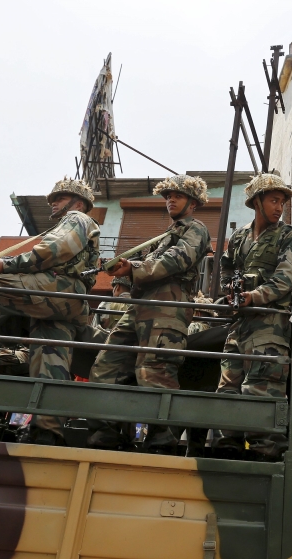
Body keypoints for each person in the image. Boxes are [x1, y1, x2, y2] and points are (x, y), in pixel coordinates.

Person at [0, 178, 100, 445]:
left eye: (59, 198)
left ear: (78, 203)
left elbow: (54, 250)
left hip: (60, 289)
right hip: (68, 300)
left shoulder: (76, 218)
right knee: (49, 360)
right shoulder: (78, 223)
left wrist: (7, 265)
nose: (53, 203)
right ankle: (46, 431)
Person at [88, 174, 211, 454]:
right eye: (167, 196)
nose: (170, 200)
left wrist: (134, 267)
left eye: (177, 196)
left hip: (169, 307)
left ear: (192, 202)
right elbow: (152, 263)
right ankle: (105, 437)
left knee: (156, 372)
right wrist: (126, 268)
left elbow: (178, 259)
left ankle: (161, 442)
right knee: (106, 366)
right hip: (141, 307)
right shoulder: (166, 235)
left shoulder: (196, 228)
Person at [209, 173, 292, 462]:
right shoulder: (238, 237)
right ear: (257, 202)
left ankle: (267, 450)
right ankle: (227, 443)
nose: (279, 207)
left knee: (263, 384)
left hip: (270, 322)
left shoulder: (288, 235)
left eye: (282, 202)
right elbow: (224, 269)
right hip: (239, 323)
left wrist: (253, 296)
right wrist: (230, 290)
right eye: (274, 200)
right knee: (228, 384)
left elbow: (285, 279)